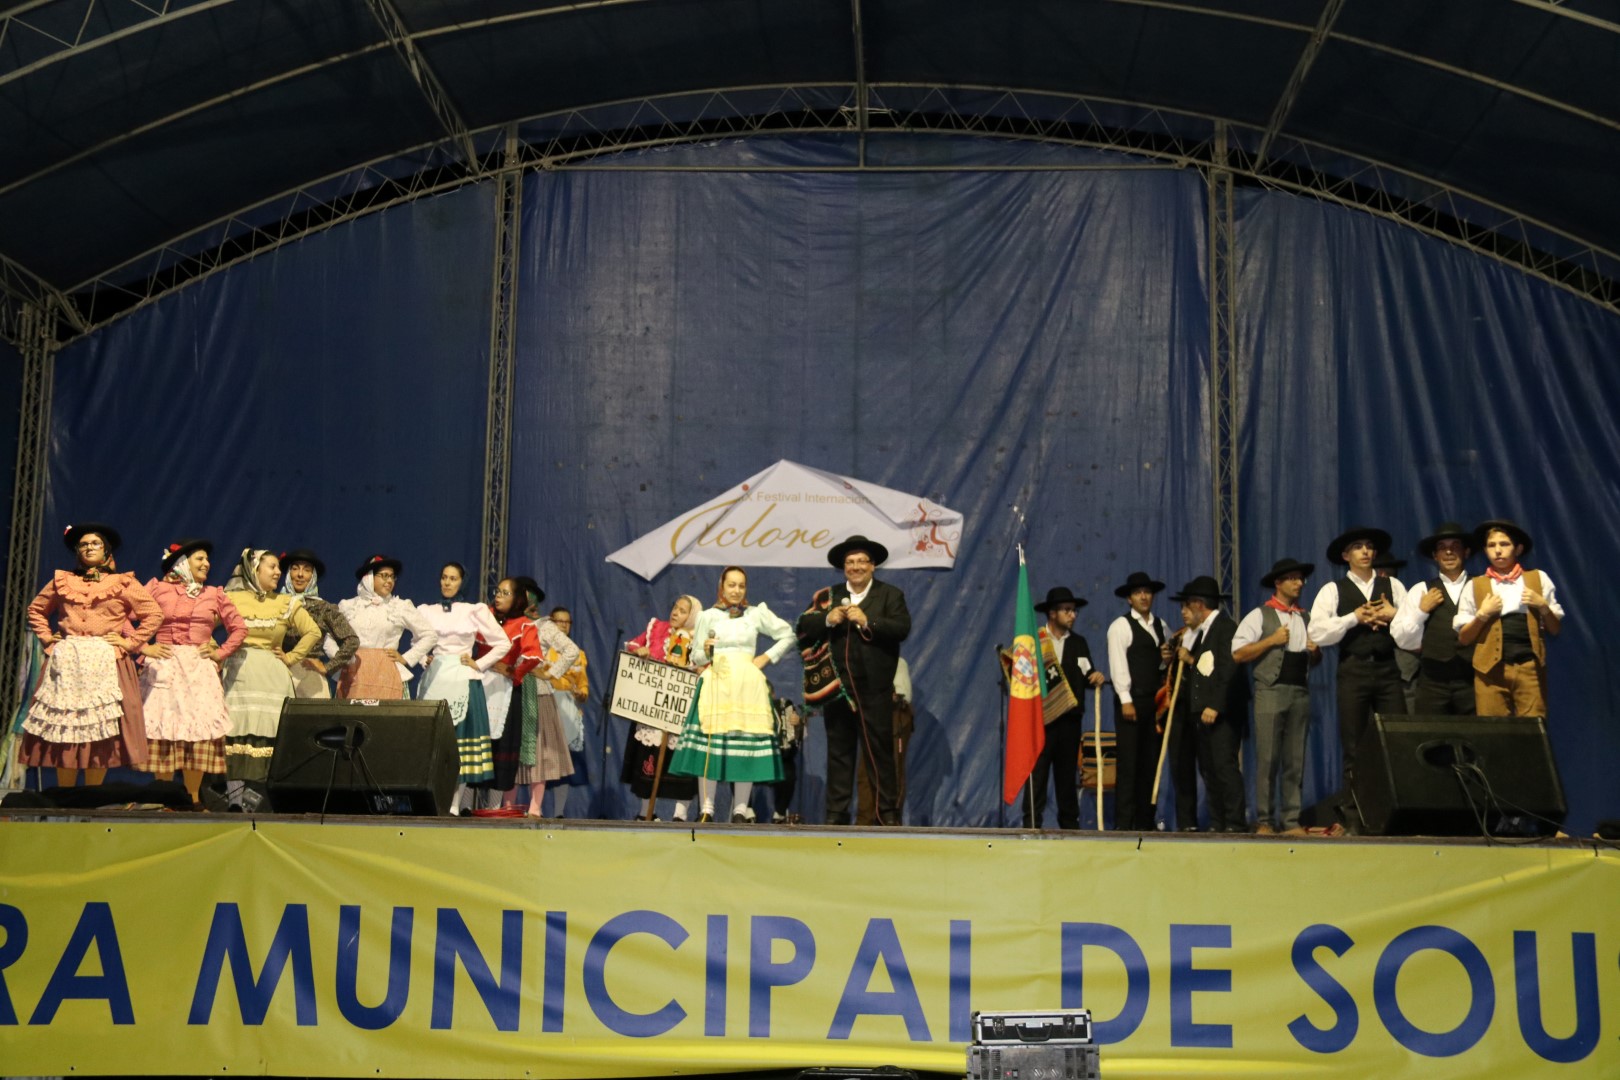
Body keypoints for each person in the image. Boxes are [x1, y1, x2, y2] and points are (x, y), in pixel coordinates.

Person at [22, 523, 164, 788]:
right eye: (84, 544)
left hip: (105, 661)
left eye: (95, 543)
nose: (89, 548)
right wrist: (46, 637)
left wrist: (129, 643)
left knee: (100, 731)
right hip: (69, 662)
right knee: (66, 726)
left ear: (106, 550)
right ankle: (65, 796)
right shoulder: (63, 581)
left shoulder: (123, 583)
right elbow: (36, 609)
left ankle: (90, 795)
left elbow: (154, 614)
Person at [795, 535, 912, 826]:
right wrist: (828, 619)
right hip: (838, 689)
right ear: (843, 567)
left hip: (875, 689)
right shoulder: (829, 596)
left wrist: (867, 621)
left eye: (861, 561)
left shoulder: (890, 595)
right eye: (850, 562)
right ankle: (836, 816)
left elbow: (901, 628)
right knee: (839, 754)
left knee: (880, 753)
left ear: (873, 566)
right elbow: (803, 625)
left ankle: (887, 814)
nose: (856, 566)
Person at [671, 567, 797, 822]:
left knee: (745, 746)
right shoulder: (707, 616)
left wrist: (765, 658)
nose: (736, 590)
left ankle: (740, 810)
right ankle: (707, 809)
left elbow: (788, 634)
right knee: (709, 745)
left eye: (741, 585)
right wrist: (706, 651)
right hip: (717, 682)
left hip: (747, 684)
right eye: (731, 585)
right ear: (722, 587)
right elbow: (696, 657)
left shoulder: (754, 614)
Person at [138, 539, 248, 808]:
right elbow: (124, 617)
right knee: (164, 733)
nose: (206, 564)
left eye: (207, 560)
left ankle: (193, 799)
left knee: (196, 737)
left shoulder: (213, 594)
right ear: (182, 563)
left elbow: (239, 628)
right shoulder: (157, 589)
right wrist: (144, 647)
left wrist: (220, 653)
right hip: (165, 666)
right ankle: (162, 797)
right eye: (200, 559)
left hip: (198, 670)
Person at [1309, 525, 1407, 823]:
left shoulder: (1393, 586)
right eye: (1358, 547)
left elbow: (1411, 630)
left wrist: (1392, 616)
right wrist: (1354, 618)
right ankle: (1354, 815)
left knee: (1396, 739)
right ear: (1345, 555)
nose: (1365, 551)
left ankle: (1399, 811)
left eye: (1369, 546)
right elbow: (1317, 632)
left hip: (1388, 669)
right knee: (1353, 744)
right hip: (1353, 670)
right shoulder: (1332, 590)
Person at [222, 549, 322, 804]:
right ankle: (235, 801)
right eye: (272, 567)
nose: (278, 572)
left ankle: (262, 802)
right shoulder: (231, 599)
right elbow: (201, 624)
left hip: (272, 677)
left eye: (278, 567)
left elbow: (313, 632)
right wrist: (216, 653)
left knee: (269, 737)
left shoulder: (285, 602)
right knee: (236, 735)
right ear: (254, 569)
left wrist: (291, 657)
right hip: (239, 675)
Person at [1232, 558, 1318, 835]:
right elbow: (1238, 653)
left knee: (1295, 760)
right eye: (1293, 578)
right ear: (1278, 583)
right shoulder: (1260, 615)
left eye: (1301, 578)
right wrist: (1271, 640)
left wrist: (1315, 652)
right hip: (1270, 691)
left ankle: (1291, 820)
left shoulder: (1306, 617)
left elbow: (1313, 659)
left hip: (1299, 692)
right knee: (1268, 760)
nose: (1299, 583)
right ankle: (1265, 820)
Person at [416, 562, 508, 814]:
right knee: (436, 742)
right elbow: (416, 642)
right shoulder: (427, 611)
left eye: (453, 578)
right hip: (436, 679)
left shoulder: (473, 611)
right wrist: (424, 659)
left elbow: (503, 642)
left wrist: (479, 663)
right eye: (444, 577)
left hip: (463, 679)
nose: (447, 583)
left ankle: (455, 804)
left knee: (461, 744)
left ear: (461, 582)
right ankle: (434, 800)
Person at [487, 576, 577, 816]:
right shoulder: (506, 622)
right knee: (511, 749)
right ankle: (509, 807)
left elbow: (571, 650)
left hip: (536, 694)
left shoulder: (543, 626)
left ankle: (535, 808)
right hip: (509, 690)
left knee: (539, 752)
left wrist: (549, 673)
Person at [1454, 519, 1563, 717]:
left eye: (1504, 544)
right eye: (1491, 545)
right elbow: (1464, 638)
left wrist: (1542, 606)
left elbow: (1555, 629)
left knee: (1533, 726)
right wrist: (1482, 615)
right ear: (1485, 550)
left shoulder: (1537, 579)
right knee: (1493, 730)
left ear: (1518, 549)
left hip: (1528, 668)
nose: (1498, 551)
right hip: (1489, 671)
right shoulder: (1475, 585)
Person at [1024, 586, 1107, 830]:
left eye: (1074, 611)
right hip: (1042, 721)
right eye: (1067, 610)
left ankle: (1069, 826)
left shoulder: (1078, 643)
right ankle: (1031, 823)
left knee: (1067, 775)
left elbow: (1087, 673)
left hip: (1070, 721)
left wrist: (1095, 677)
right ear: (1052, 613)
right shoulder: (1035, 642)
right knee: (1038, 773)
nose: (1073, 615)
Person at [1171, 576, 1248, 833]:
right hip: (1202, 715)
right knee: (1209, 769)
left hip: (1221, 714)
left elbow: (1229, 669)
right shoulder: (1203, 634)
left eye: (1186, 605)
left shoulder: (1225, 628)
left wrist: (1215, 704)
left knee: (1224, 767)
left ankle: (1235, 823)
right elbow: (1206, 669)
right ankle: (1218, 822)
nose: (1184, 611)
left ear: (1198, 604)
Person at [621, 594, 703, 821]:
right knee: (649, 760)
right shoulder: (656, 629)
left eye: (683, 611)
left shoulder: (699, 640)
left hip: (681, 713)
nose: (675, 612)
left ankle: (680, 814)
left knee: (680, 764)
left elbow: (706, 666)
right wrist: (639, 650)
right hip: (653, 711)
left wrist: (698, 669)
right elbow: (634, 644)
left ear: (693, 616)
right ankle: (645, 813)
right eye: (675, 607)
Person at [1104, 570, 1173, 831]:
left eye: (1147, 592)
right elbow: (1118, 663)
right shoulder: (1120, 626)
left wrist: (1165, 660)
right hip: (1132, 701)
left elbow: (1162, 665)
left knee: (1150, 764)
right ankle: (1124, 824)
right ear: (1129, 599)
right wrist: (1125, 698)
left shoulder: (1161, 626)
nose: (1143, 596)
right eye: (1138, 593)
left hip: (1154, 704)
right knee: (1129, 764)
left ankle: (1145, 821)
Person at [1390, 523, 1477, 714]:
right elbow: (1401, 639)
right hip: (1433, 684)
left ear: (1466, 552)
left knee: (1477, 732)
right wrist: (1421, 611)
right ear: (1434, 555)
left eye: (1455, 546)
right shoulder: (1420, 590)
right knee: (1430, 733)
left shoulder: (1481, 586)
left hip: (1473, 682)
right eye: (1442, 547)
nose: (1449, 552)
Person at [337, 555, 437, 700]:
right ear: (369, 577)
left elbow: (430, 635)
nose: (389, 581)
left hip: (386, 672)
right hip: (354, 672)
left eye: (392, 576)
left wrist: (406, 658)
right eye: (384, 576)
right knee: (354, 713)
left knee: (387, 713)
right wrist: (342, 659)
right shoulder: (349, 606)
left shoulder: (399, 606)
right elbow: (330, 637)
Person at [277, 549, 359, 700]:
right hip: (278, 673)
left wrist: (328, 667)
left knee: (310, 716)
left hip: (308, 677)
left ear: (313, 576)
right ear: (288, 573)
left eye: (307, 570)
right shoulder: (276, 604)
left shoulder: (323, 608)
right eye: (295, 568)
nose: (300, 574)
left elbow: (351, 640)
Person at [545, 606, 590, 818]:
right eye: (559, 621)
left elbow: (583, 685)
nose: (563, 625)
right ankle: (535, 809)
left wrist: (581, 694)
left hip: (568, 708)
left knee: (564, 763)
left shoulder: (578, 654)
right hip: (546, 702)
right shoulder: (544, 649)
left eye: (567, 622)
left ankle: (559, 813)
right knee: (543, 758)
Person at [1373, 552, 1421, 712]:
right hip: (1374, 675)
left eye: (1389, 571)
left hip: (1405, 673)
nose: (1384, 576)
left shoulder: (1406, 595)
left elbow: (1419, 635)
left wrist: (1395, 614)